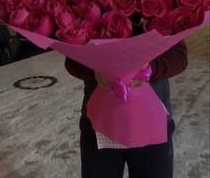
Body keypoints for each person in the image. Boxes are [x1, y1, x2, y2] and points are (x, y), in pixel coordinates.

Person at [65, 40, 188, 178]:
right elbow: (71, 60)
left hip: (152, 124)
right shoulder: (85, 19)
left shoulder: (164, 20)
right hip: (100, 125)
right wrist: (94, 69)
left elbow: (179, 56)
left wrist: (150, 68)